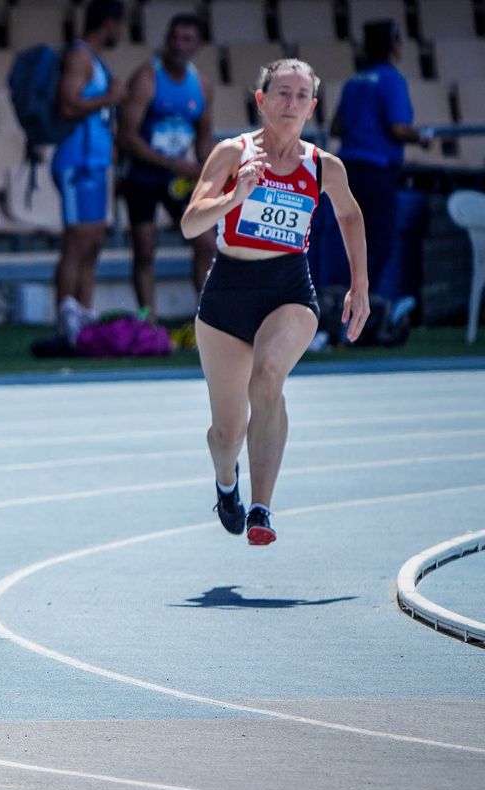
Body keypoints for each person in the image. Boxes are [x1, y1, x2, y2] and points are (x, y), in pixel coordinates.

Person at [179, 59, 369, 545]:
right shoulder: (231, 153)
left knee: (268, 377)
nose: (291, 103)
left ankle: (261, 509)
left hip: (288, 290)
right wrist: (233, 194)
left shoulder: (324, 166)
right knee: (227, 433)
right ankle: (227, 482)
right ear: (261, 100)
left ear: (313, 107)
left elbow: (350, 215)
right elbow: (190, 222)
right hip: (227, 295)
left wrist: (359, 285)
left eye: (301, 95)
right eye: (281, 93)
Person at [116, 12, 215, 324]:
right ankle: (149, 318)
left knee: (206, 242)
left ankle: (207, 318)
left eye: (186, 39)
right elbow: (127, 137)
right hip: (144, 175)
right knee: (145, 249)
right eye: (174, 37)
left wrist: (207, 169)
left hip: (179, 179)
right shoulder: (146, 79)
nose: (178, 45)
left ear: (198, 46)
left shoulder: (202, 85)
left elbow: (203, 138)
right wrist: (173, 163)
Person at [330, 19, 430, 309]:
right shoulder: (391, 79)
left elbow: (337, 128)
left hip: (347, 173)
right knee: (378, 242)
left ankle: (338, 309)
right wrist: (420, 138)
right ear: (394, 45)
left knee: (349, 242)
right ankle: (359, 313)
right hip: (377, 172)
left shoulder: (353, 82)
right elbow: (399, 127)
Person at [52, 0, 127, 344]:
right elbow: (68, 104)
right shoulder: (80, 56)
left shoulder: (95, 59)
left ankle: (84, 312)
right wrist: (110, 98)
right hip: (77, 162)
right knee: (76, 242)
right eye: (119, 25)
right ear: (109, 24)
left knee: (93, 241)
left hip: (96, 162)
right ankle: (66, 319)